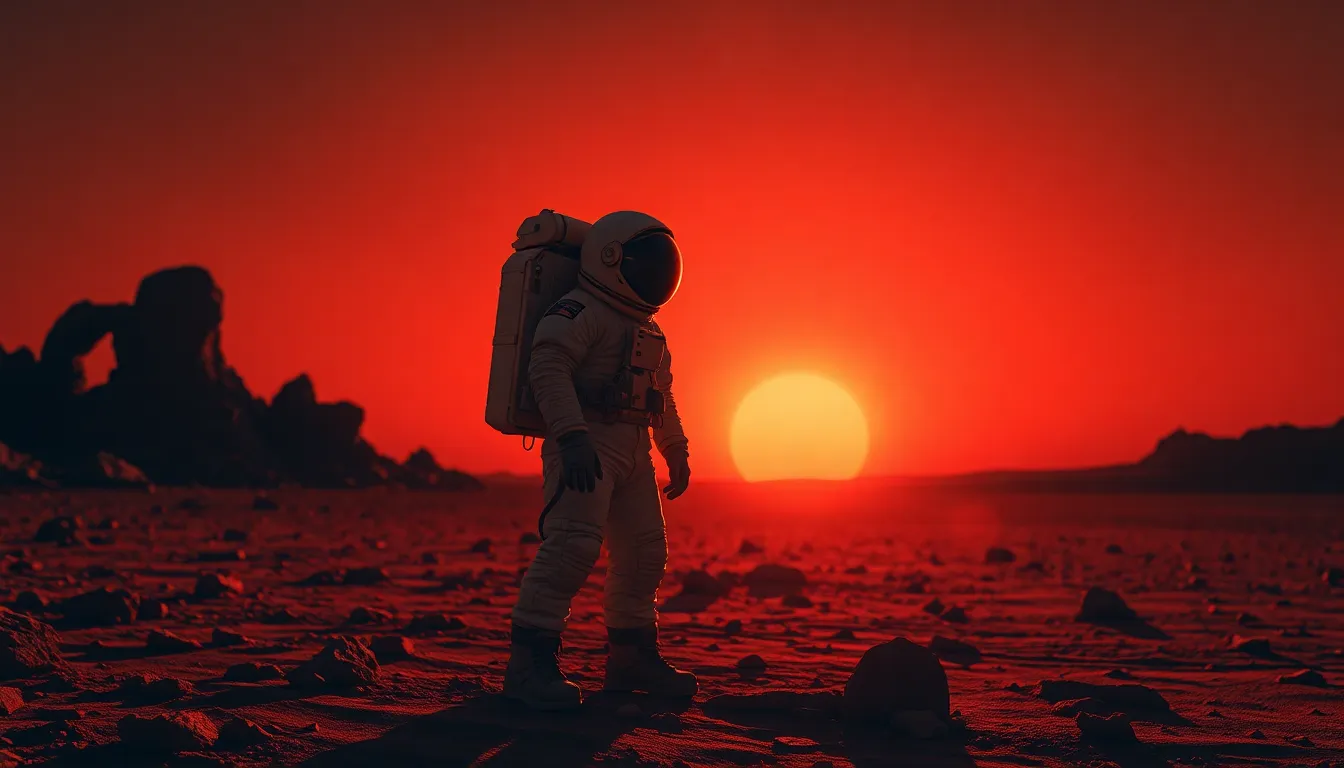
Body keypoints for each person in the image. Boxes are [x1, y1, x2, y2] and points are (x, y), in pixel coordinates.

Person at [505, 210, 695, 710]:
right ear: (612, 259)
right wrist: (571, 437)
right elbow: (547, 365)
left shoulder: (647, 330)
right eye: (647, 263)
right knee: (572, 546)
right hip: (588, 442)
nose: (658, 275)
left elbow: (662, 394)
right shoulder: (578, 310)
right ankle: (529, 667)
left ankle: (632, 658)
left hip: (631, 447)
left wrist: (675, 448)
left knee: (644, 554)